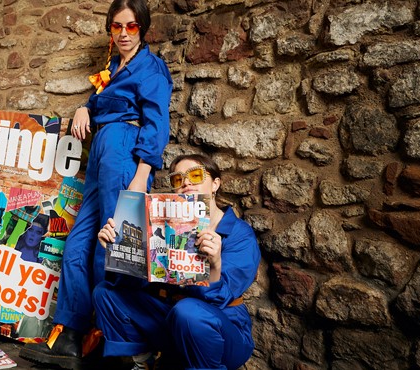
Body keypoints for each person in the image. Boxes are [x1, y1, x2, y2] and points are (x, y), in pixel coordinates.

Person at [19, 0, 173, 368]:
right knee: (78, 243)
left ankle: (114, 345)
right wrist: (85, 108)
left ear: (142, 28)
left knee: (115, 248)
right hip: (101, 152)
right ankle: (70, 336)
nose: (123, 34)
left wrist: (139, 180)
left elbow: (157, 126)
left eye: (131, 27)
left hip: (125, 153)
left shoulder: (151, 68)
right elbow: (99, 102)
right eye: (117, 26)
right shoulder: (112, 67)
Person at [94, 153, 261, 370]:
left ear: (215, 184)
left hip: (222, 331)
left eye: (196, 175)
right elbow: (138, 285)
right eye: (178, 179)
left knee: (188, 311)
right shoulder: (162, 226)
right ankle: (145, 361)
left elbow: (221, 299)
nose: (186, 183)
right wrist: (119, 251)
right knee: (106, 293)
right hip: (171, 318)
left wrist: (215, 264)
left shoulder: (240, 235)